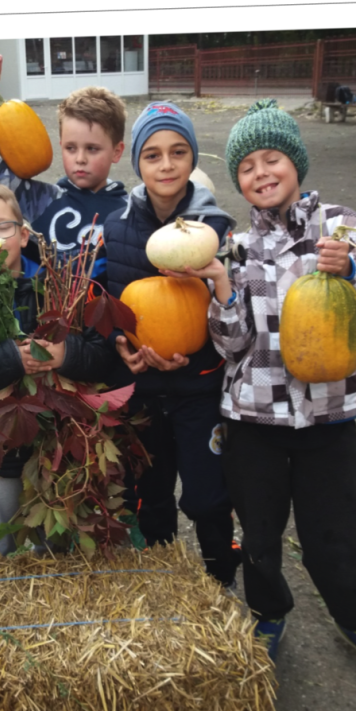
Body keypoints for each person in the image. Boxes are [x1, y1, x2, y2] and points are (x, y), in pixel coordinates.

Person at [166, 98, 356, 683]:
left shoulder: (342, 228)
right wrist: (221, 287)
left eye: (272, 159)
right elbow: (232, 345)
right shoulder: (236, 248)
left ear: (296, 163)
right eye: (247, 167)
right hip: (254, 420)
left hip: (329, 418)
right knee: (261, 534)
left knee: (337, 531)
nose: (261, 173)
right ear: (239, 183)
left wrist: (348, 272)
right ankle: (269, 612)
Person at [0, 180, 117, 556]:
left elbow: (103, 355)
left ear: (24, 234)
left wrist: (67, 355)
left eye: (2, 228)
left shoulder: (59, 287)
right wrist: (12, 360)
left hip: (60, 448)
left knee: (59, 548)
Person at [101, 101, 241, 590]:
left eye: (178, 152)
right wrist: (120, 341)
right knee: (149, 492)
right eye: (153, 154)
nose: (166, 164)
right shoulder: (116, 227)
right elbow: (109, 301)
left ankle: (222, 573)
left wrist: (198, 352)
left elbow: (229, 306)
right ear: (137, 162)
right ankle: (162, 579)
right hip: (142, 389)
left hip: (199, 387)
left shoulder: (214, 231)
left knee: (207, 496)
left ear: (192, 158)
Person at [0, 51, 128, 274]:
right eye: (71, 148)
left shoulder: (129, 212)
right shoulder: (41, 200)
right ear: (60, 144)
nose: (80, 159)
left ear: (116, 151)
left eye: (92, 149)